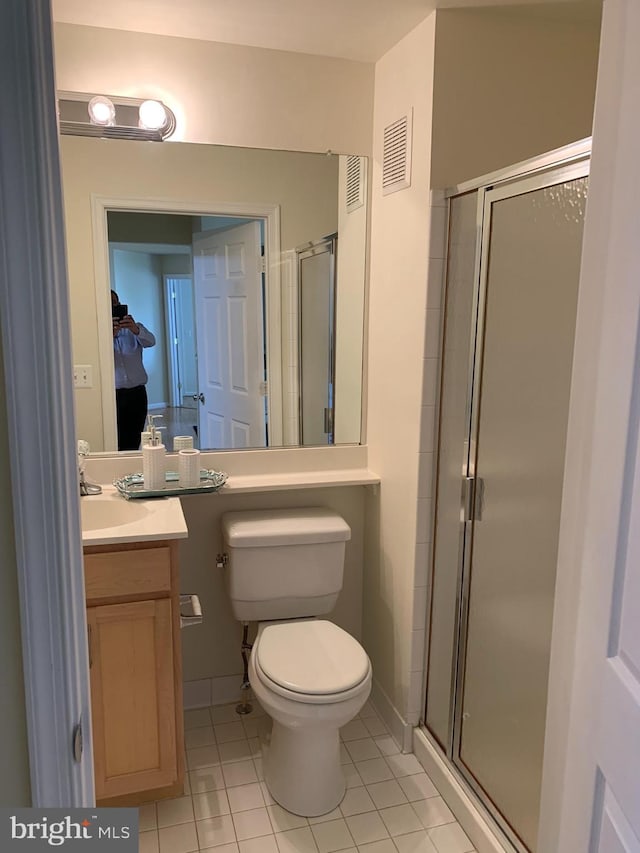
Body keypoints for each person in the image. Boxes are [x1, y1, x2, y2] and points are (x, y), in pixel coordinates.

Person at [111, 290, 156, 450]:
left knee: (134, 436)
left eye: (115, 303)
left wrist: (135, 329)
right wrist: (109, 335)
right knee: (115, 438)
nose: (113, 306)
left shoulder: (134, 329)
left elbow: (151, 341)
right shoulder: (98, 334)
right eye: (109, 303)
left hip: (137, 394)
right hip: (112, 396)